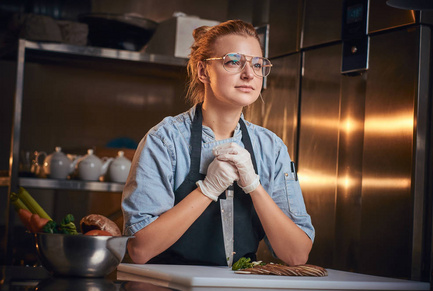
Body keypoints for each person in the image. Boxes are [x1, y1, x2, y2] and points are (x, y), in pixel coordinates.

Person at [121, 19, 314, 266]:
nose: (248, 74)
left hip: (238, 290)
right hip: (167, 288)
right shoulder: (165, 141)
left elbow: (296, 255)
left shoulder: (271, 149)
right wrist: (208, 189)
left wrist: (254, 185)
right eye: (233, 61)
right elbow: (140, 249)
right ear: (203, 71)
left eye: (257, 64)